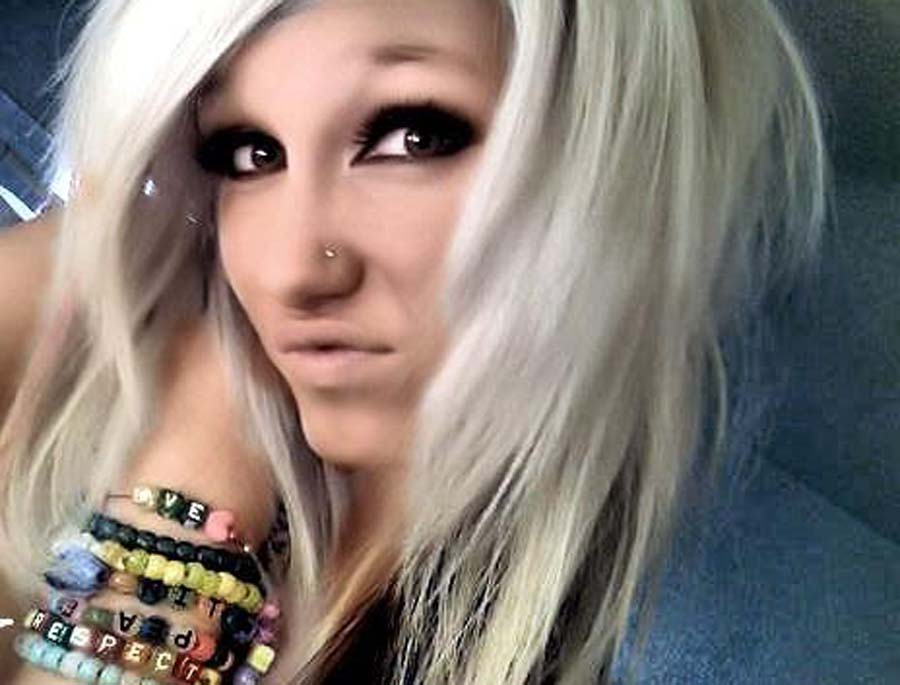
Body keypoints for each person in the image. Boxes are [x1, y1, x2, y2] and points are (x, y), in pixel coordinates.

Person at [0, 0, 829, 683]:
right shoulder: (86, 310)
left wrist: (191, 475)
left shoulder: (546, 639)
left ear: (606, 171)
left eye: (412, 136)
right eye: (250, 152)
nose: (292, 270)